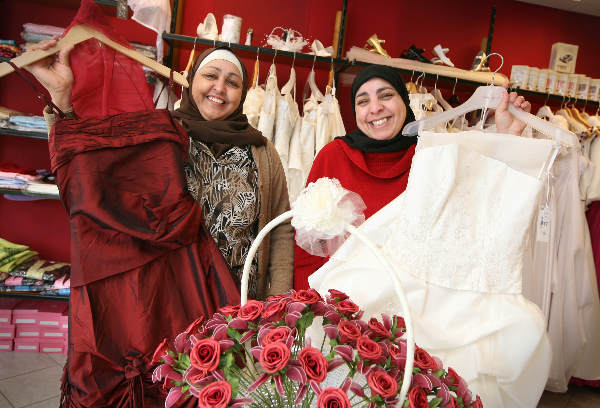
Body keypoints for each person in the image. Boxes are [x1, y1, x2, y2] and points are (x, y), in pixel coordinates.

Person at [26, 30, 293, 407]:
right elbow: (93, 177)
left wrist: (275, 310)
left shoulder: (264, 153)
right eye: (210, 76)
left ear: (243, 93)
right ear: (191, 80)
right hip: (170, 302)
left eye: (232, 81)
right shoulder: (159, 134)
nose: (220, 88)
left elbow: (279, 231)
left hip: (237, 305)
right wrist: (62, 102)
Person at [294, 64, 531, 290]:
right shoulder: (333, 156)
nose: (375, 108)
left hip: (408, 311)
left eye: (386, 95)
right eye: (363, 101)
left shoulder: (433, 158)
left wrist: (508, 137)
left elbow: (479, 216)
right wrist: (309, 306)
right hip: (337, 309)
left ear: (405, 102)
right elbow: (307, 248)